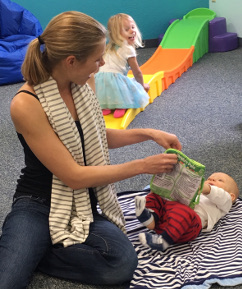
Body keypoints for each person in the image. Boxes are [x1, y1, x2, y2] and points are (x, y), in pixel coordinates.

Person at [0, 11, 182, 289]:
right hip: (38, 201)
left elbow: (94, 135)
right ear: (71, 61)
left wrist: (150, 133)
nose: (101, 64)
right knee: (8, 280)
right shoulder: (26, 103)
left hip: (84, 201)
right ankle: (29, 247)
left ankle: (38, 251)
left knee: (120, 263)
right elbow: (73, 175)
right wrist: (144, 165)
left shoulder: (83, 82)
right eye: (97, 58)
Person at [135, 172, 239, 251]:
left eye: (220, 180)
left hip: (188, 227)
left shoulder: (225, 202)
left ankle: (164, 240)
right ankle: (150, 218)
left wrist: (207, 188)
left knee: (185, 211)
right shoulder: (199, 193)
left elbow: (219, 195)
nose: (211, 179)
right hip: (167, 217)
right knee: (155, 196)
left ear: (231, 196)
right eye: (209, 178)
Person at [95, 13, 150, 118]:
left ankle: (105, 107)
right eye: (126, 29)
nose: (132, 31)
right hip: (115, 80)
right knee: (127, 84)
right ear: (116, 34)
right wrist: (142, 86)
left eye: (133, 27)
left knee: (111, 83)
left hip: (99, 81)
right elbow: (137, 71)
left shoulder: (109, 47)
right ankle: (121, 106)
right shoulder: (128, 49)